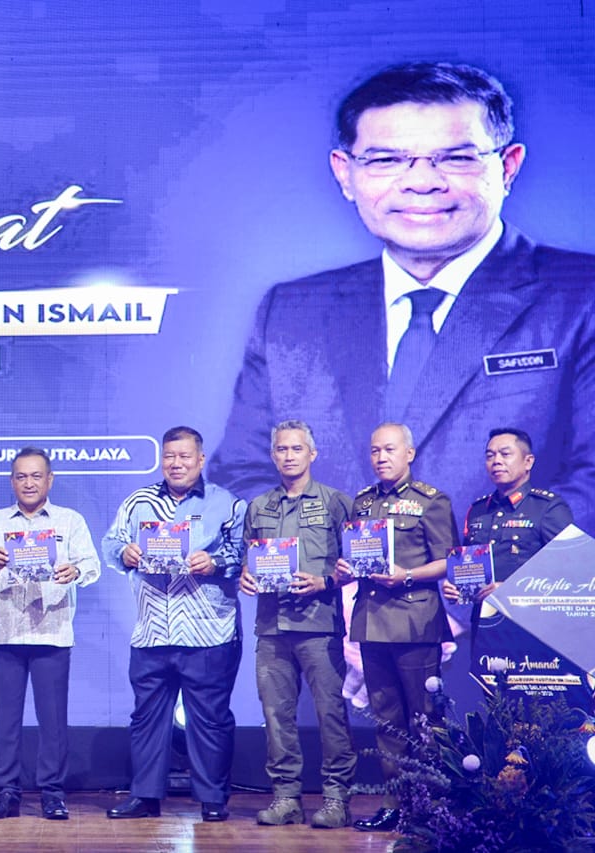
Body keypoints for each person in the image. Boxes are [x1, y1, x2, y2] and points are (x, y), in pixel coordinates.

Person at [211, 60, 595, 542]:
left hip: (516, 589)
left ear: (508, 166)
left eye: (455, 158)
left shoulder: (581, 294)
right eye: (386, 160)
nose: (422, 182)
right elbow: (243, 473)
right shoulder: (291, 311)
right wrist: (321, 569)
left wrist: (470, 581)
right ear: (345, 174)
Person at [101, 426, 246, 823]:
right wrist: (125, 553)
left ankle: (212, 798)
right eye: (169, 456)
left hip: (208, 630)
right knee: (146, 718)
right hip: (152, 630)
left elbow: (243, 555)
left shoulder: (227, 504)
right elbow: (111, 544)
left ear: (200, 460)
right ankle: (145, 796)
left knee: (210, 719)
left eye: (184, 456)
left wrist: (215, 562)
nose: (176, 463)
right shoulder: (138, 503)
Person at [334, 423, 457, 832]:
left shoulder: (430, 501)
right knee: (386, 720)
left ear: (410, 453)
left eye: (389, 449)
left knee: (425, 718)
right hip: (372, 622)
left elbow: (449, 560)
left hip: (415, 621)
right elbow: (357, 555)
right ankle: (394, 802)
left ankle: (433, 804)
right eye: (375, 450)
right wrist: (345, 567)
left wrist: (407, 575)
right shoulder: (363, 502)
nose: (381, 457)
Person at [238, 421, 355, 829]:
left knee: (331, 715)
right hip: (272, 629)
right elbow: (248, 559)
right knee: (276, 718)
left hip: (320, 627)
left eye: (296, 448)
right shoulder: (259, 506)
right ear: (273, 455)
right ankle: (286, 798)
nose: (289, 456)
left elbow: (357, 563)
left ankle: (337, 799)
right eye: (282, 449)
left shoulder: (336, 503)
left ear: (312, 453)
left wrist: (325, 582)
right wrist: (246, 577)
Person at [0, 447, 100, 821]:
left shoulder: (70, 520)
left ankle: (52, 792)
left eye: (35, 476)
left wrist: (75, 572)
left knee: (53, 720)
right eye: (21, 476)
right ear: (11, 481)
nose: (28, 483)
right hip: (6, 633)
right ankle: (6, 791)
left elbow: (92, 565)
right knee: (5, 720)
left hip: (52, 632)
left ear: (50, 479)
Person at [441, 428, 578, 699]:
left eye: (505, 454)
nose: (496, 461)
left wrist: (512, 589)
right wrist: (455, 586)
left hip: (530, 626)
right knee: (493, 704)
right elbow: (468, 564)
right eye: (490, 455)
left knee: (533, 706)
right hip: (486, 626)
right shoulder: (478, 510)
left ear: (528, 462)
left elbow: (571, 568)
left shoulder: (547, 507)